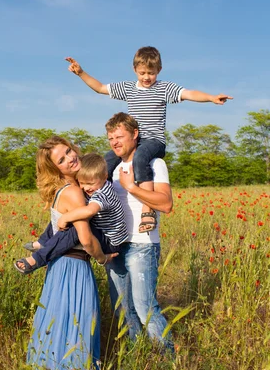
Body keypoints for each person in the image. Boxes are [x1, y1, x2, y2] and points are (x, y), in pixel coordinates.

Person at [66, 47, 233, 234]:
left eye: (151, 73)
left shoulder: (163, 88)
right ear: (135, 70)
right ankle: (95, 201)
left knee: (140, 158)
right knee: (105, 162)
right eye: (142, 73)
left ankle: (148, 207)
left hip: (153, 142)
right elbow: (100, 88)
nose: (146, 77)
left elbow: (189, 93)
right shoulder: (128, 88)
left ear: (158, 71)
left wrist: (211, 98)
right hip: (132, 141)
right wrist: (81, 73)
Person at [25, 136, 111, 370]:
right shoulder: (74, 192)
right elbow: (85, 239)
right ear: (56, 169)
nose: (70, 158)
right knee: (77, 326)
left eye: (68, 151)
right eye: (61, 160)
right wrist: (103, 258)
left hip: (60, 268)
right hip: (74, 267)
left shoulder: (67, 189)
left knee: (59, 324)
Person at [103, 112, 174, 351]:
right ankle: (136, 358)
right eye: (111, 137)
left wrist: (131, 187)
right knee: (123, 309)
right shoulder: (109, 168)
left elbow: (165, 204)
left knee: (145, 308)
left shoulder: (155, 163)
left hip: (142, 244)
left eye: (119, 136)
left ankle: (168, 362)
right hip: (114, 246)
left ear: (135, 135)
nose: (115, 142)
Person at [14, 152, 127, 274]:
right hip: (102, 230)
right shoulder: (97, 186)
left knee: (74, 226)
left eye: (90, 183)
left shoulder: (103, 194)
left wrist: (66, 217)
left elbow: (90, 210)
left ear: (105, 177)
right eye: (81, 183)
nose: (85, 188)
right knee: (72, 216)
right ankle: (42, 241)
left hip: (110, 241)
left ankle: (37, 259)